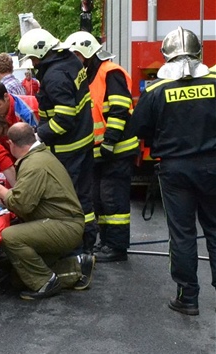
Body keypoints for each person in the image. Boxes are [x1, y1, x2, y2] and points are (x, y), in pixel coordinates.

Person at [130, 27, 216, 316]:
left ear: (165, 57)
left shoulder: (155, 90)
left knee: (182, 234)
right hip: (213, 165)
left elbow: (139, 129)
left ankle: (187, 297)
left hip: (175, 170)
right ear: (198, 52)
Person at [60, 31, 139, 262]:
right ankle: (106, 243)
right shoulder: (88, 74)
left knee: (114, 200)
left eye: (75, 54)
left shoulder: (110, 73)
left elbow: (119, 109)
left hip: (116, 150)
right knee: (101, 199)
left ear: (85, 52)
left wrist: (110, 141)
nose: (73, 59)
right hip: (99, 151)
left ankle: (116, 247)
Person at [17, 28, 97, 254]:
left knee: (67, 201)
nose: (31, 63)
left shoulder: (54, 76)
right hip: (82, 141)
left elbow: (63, 120)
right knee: (83, 197)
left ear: (40, 53)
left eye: (32, 58)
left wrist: (38, 135)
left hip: (68, 148)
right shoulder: (70, 60)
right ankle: (87, 244)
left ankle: (74, 250)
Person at [0, 123, 95, 300]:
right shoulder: (41, 156)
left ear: (11, 143)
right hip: (63, 223)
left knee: (11, 236)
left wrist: (1, 191)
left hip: (63, 226)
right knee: (19, 277)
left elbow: (22, 204)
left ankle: (45, 282)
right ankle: (76, 266)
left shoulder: (34, 164)